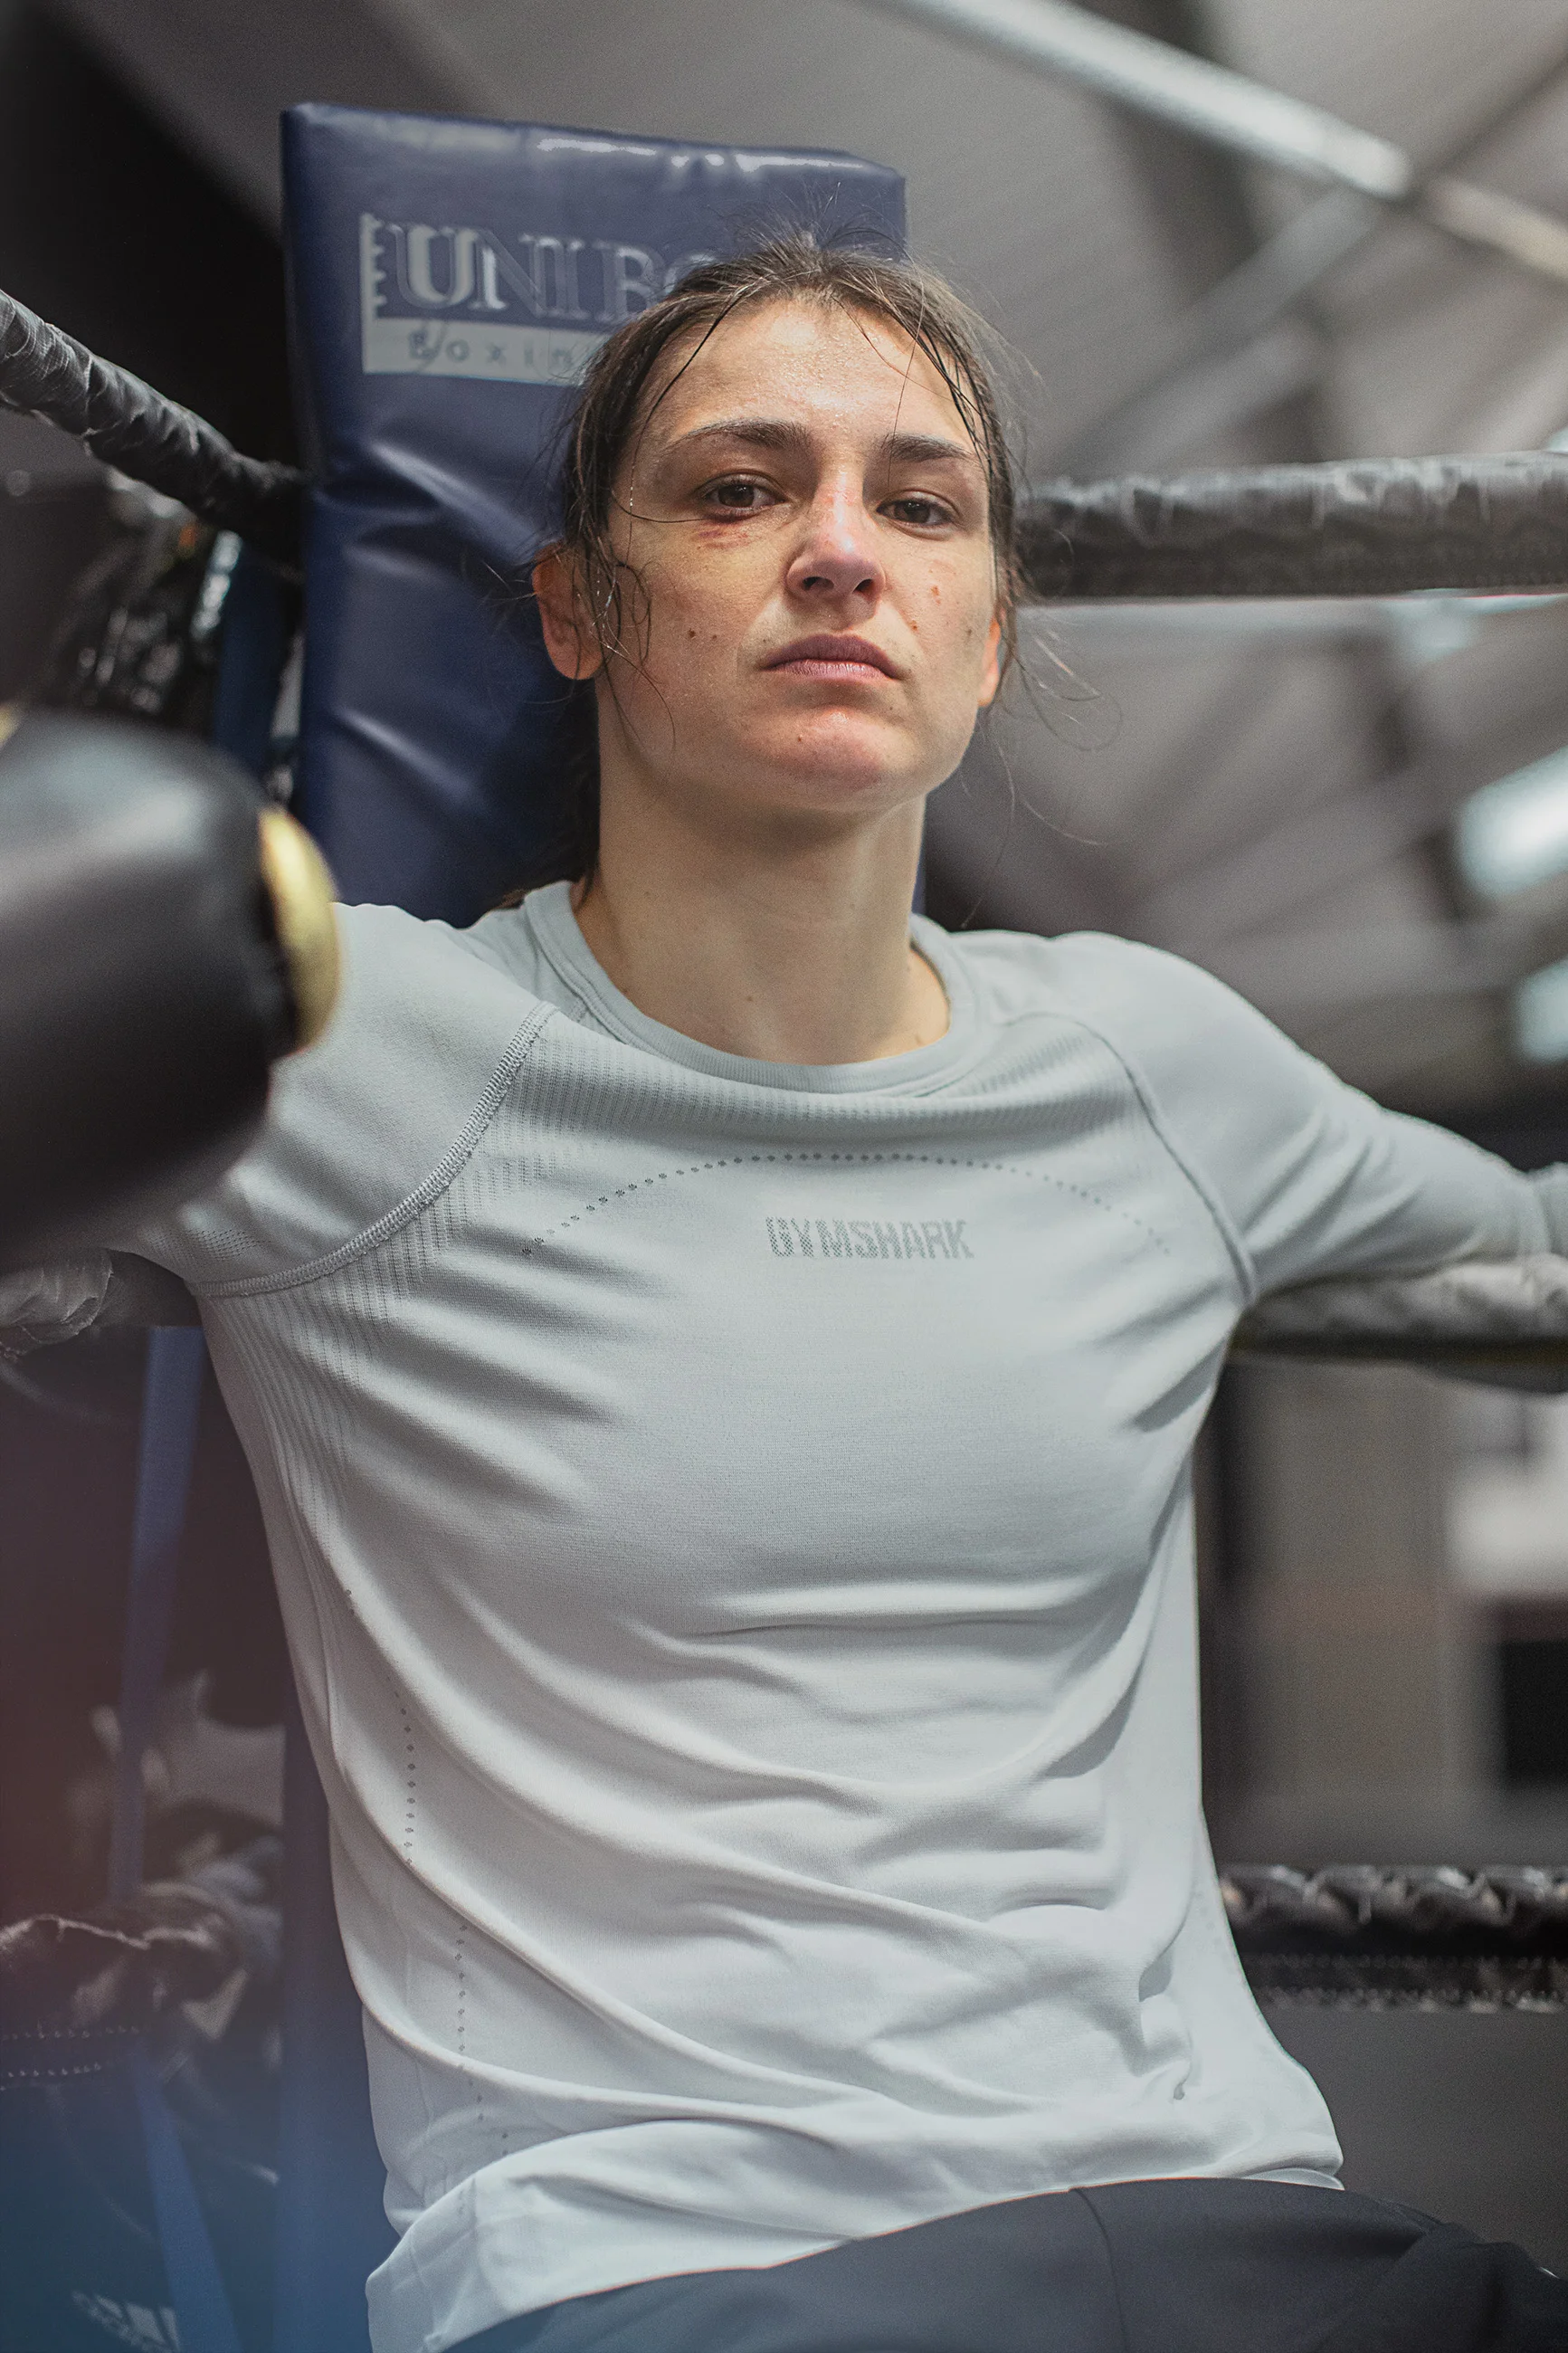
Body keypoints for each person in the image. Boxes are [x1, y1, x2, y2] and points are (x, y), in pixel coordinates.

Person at [5, 233, 1568, 2353]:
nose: (839, 549)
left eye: (917, 505)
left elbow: (1518, 1245)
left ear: (990, 630)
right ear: (580, 607)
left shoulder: (1149, 1062)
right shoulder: (367, 1046)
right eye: (738, 490)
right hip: (672, 2275)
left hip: (1243, 2232)